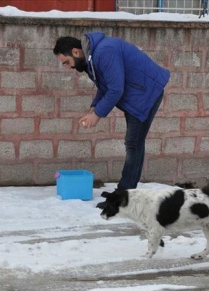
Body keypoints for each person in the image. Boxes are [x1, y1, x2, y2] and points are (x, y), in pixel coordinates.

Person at [53, 32, 170, 190]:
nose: (69, 67)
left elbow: (115, 89)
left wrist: (97, 115)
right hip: (136, 94)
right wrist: (93, 109)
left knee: (133, 143)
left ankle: (124, 193)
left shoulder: (104, 51)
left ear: (75, 52)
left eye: (67, 62)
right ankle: (128, 192)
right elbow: (105, 86)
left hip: (147, 93)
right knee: (135, 143)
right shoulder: (91, 58)